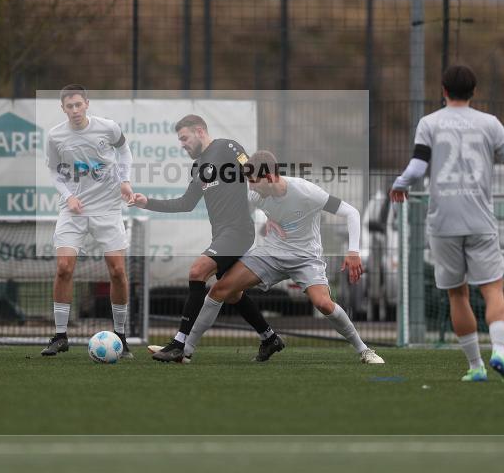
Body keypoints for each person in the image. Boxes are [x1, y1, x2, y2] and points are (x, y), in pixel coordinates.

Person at [390, 65, 504, 382]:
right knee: (493, 290)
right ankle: (500, 353)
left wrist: (400, 185)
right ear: (474, 92)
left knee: (457, 295)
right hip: (480, 220)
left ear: (443, 90)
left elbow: (416, 167)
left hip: (443, 223)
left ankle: (475, 366)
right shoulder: (488, 124)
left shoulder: (429, 123)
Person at [164, 150, 385, 364]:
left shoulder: (306, 191)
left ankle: (363, 349)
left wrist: (353, 251)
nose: (250, 185)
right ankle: (186, 350)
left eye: (253, 180)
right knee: (220, 290)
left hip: (305, 258)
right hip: (270, 253)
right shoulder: (255, 193)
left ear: (269, 177)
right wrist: (266, 219)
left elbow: (351, 212)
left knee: (324, 304)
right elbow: (244, 214)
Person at [132, 115, 283, 363]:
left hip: (238, 231)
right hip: (222, 234)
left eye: (184, 138)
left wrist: (271, 214)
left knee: (197, 270)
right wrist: (146, 202)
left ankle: (179, 343)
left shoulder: (228, 147)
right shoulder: (198, 166)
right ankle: (269, 338)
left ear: (200, 131)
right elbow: (186, 204)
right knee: (231, 293)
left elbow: (256, 175)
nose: (182, 144)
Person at [41, 85, 135, 358]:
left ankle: (120, 335)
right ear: (63, 108)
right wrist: (68, 196)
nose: (74, 111)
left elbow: (125, 151)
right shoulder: (56, 135)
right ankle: (60, 336)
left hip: (107, 209)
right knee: (63, 268)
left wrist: (125, 181)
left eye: (78, 105)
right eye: (69, 106)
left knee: (117, 270)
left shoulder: (108, 128)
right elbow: (52, 170)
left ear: (86, 104)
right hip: (74, 211)